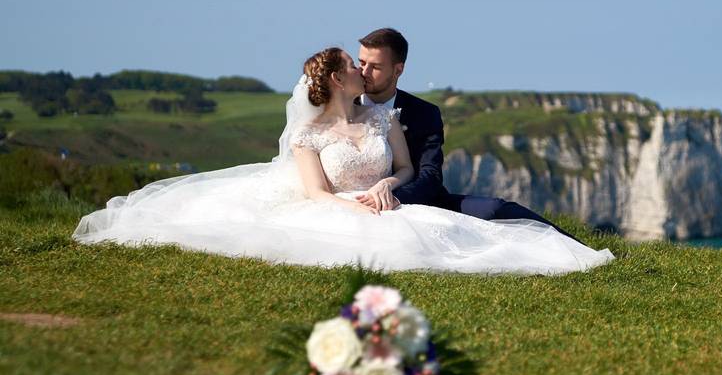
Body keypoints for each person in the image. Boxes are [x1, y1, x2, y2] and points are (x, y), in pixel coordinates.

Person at [72, 47, 614, 275]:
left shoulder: (382, 119)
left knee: (480, 229)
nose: (363, 72)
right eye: (355, 66)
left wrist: (390, 189)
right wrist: (354, 207)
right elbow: (314, 194)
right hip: (340, 207)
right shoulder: (308, 134)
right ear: (337, 79)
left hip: (391, 202)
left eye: (369, 64)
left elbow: (405, 168)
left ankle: (573, 249)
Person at [356, 27, 581, 239]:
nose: (364, 72)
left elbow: (430, 175)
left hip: (418, 201)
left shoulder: (424, 113)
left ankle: (575, 246)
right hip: (354, 203)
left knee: (495, 209)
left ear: (398, 69)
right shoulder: (339, 108)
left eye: (374, 67)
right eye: (361, 63)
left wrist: (394, 198)